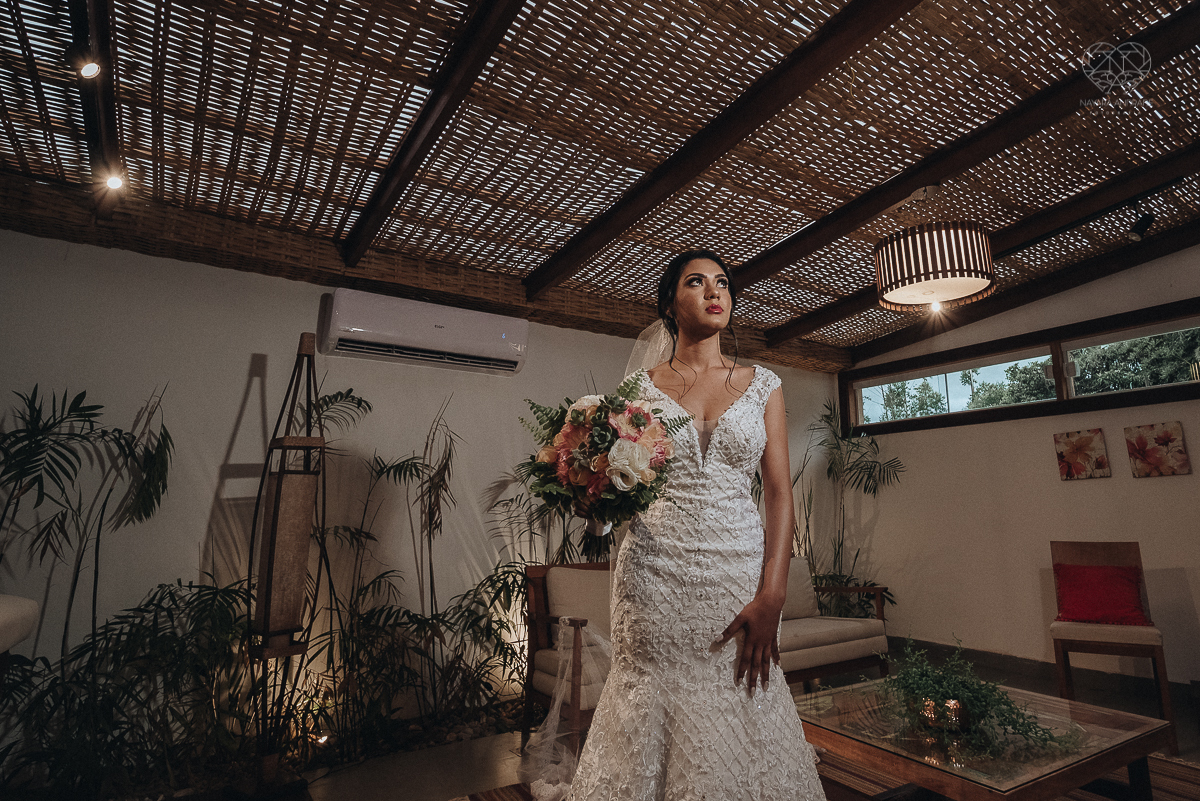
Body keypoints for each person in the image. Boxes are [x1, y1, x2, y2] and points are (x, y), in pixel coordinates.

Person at [530, 249, 826, 801]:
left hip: (737, 573)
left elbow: (781, 493)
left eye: (722, 283)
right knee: (649, 694)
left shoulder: (765, 386)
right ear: (671, 302)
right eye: (697, 282)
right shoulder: (635, 392)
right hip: (653, 576)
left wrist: (774, 593)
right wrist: (588, 487)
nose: (715, 292)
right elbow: (610, 492)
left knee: (744, 690)